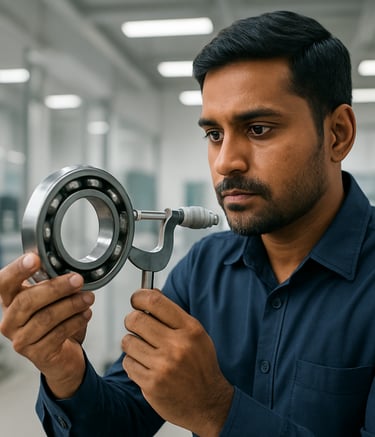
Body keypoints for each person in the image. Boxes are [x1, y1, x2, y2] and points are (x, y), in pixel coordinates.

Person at [1, 9, 375, 436]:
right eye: (214, 134)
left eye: (258, 128)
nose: (226, 161)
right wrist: (66, 372)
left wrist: (218, 410)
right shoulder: (203, 270)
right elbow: (120, 424)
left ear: (338, 134)